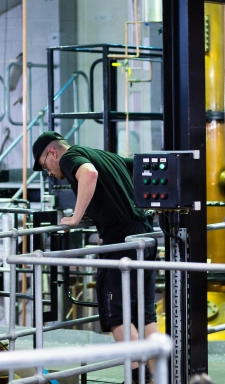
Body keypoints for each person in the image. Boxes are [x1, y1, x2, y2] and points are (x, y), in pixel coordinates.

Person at [32, 131, 158, 384]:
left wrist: (76, 217)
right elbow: (142, 169)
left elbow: (89, 174)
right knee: (143, 313)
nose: (48, 172)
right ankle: (161, 375)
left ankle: (138, 377)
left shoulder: (71, 158)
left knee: (116, 313)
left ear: (53, 153)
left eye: (45, 165)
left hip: (121, 241)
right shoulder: (106, 156)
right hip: (145, 234)